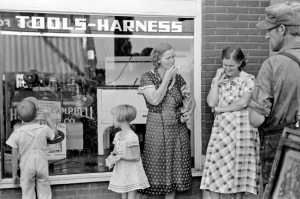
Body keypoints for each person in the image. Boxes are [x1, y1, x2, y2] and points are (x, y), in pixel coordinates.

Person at [250, 1, 300, 188]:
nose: (265, 36)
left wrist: (250, 101)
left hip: (281, 144)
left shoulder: (272, 64)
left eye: (268, 30)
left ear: (281, 29)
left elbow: (256, 119)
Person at [200, 47, 261, 199]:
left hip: (243, 132)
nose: (227, 68)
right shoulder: (219, 79)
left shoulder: (248, 79)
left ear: (240, 63)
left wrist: (221, 109)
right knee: (215, 170)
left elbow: (243, 102)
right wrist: (216, 81)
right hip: (222, 132)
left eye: (231, 66)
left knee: (240, 172)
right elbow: (211, 102)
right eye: (225, 65)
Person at [137, 43, 195, 199]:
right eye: (168, 57)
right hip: (157, 128)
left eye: (173, 56)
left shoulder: (179, 78)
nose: (172, 60)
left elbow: (190, 100)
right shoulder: (148, 77)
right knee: (154, 166)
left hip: (177, 130)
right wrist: (167, 78)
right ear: (158, 59)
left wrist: (187, 110)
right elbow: (155, 100)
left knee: (174, 171)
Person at [6, 97, 58, 199]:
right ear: (36, 115)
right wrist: (47, 118)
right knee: (45, 194)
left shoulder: (17, 134)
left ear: (20, 118)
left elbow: (14, 157)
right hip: (41, 165)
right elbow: (55, 134)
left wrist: (14, 175)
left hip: (26, 167)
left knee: (27, 194)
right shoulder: (44, 129)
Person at [107, 104, 150, 199]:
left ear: (121, 118)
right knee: (124, 195)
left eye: (114, 117)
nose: (112, 119)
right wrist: (112, 157)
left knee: (131, 196)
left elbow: (136, 157)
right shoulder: (118, 135)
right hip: (123, 170)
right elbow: (115, 151)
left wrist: (121, 157)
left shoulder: (131, 136)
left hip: (132, 172)